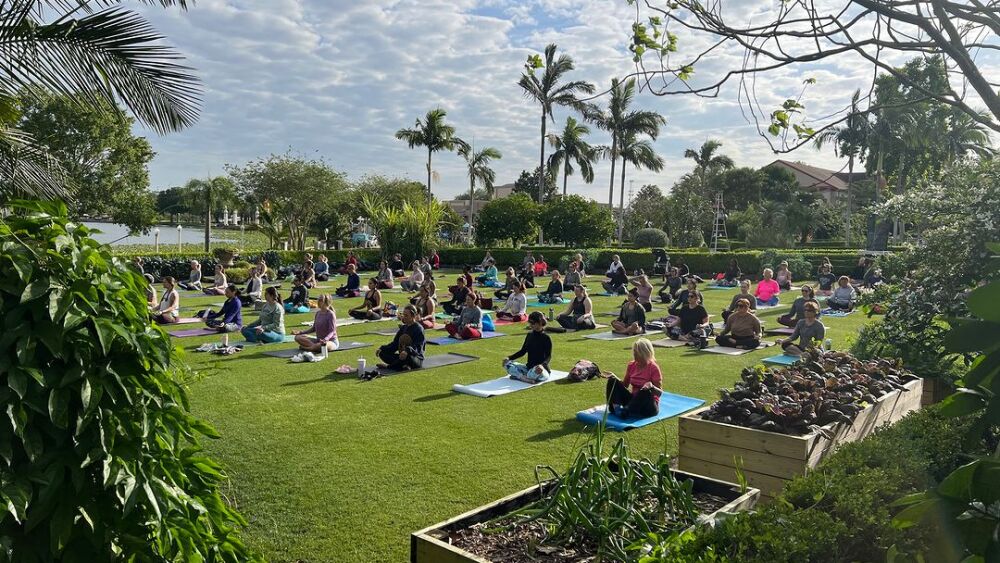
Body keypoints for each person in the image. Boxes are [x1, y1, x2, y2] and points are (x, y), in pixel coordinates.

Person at [605, 338, 663, 419]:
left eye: (637, 353)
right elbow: (625, 384)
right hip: (633, 400)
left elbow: (659, 393)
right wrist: (615, 377)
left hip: (648, 407)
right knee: (612, 381)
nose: (634, 355)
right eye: (634, 352)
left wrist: (651, 387)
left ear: (644, 353)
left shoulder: (653, 368)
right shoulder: (631, 365)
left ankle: (626, 411)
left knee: (645, 391)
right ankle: (616, 408)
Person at [504, 311, 552, 383]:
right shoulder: (529, 335)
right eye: (530, 322)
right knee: (508, 364)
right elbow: (522, 351)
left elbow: (548, 356)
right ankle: (523, 378)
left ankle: (520, 376)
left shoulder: (546, 337)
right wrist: (509, 358)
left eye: (533, 323)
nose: (531, 325)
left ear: (540, 322)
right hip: (528, 368)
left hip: (540, 370)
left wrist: (542, 366)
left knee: (536, 373)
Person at [376, 305, 426, 371]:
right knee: (382, 353)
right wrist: (382, 348)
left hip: (414, 358)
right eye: (403, 315)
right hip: (402, 356)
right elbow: (395, 344)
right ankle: (404, 366)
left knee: (408, 357)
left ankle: (389, 367)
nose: (404, 317)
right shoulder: (403, 328)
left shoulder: (418, 329)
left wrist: (407, 351)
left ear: (413, 316)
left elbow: (418, 348)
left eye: (406, 315)